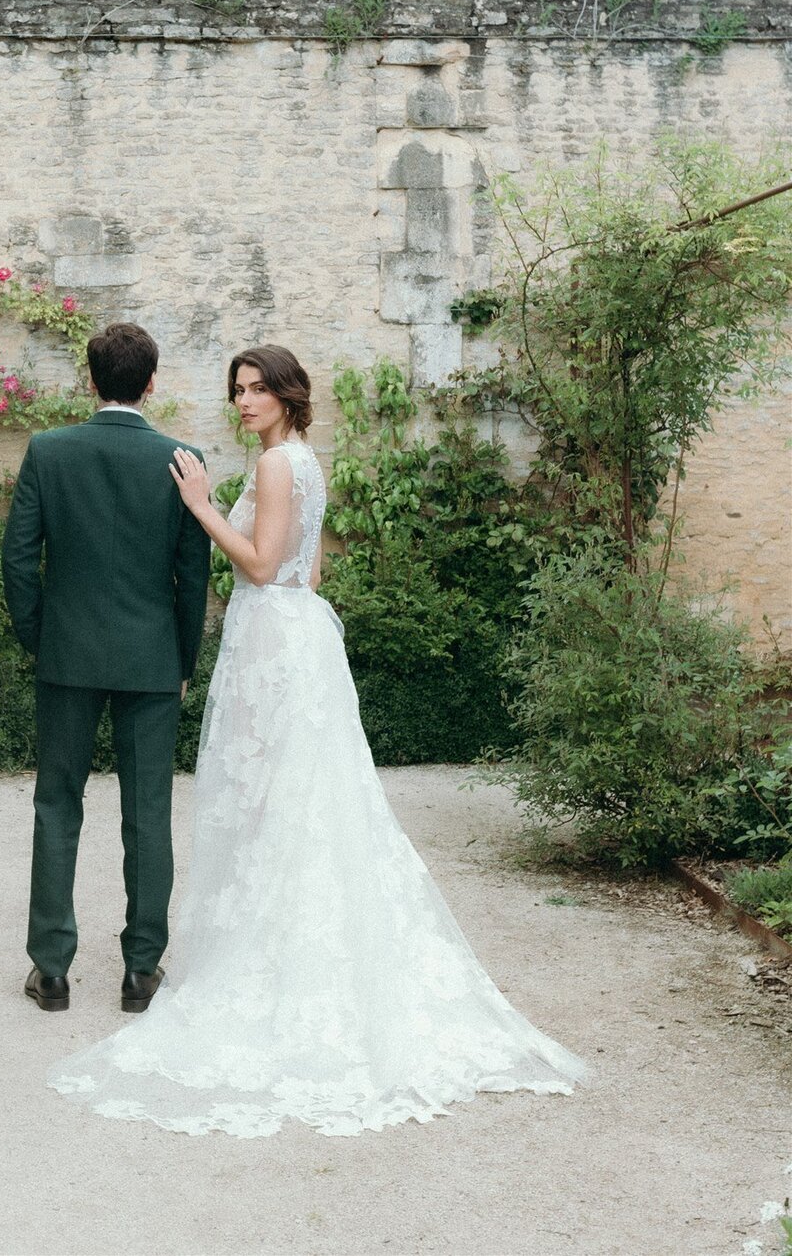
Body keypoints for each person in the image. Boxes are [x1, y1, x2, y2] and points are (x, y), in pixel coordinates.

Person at [46, 344, 588, 1137]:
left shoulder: (274, 467)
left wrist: (200, 507)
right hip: (296, 639)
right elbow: (308, 572)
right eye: (238, 388)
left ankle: (280, 966)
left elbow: (264, 567)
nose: (244, 400)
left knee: (274, 802)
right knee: (297, 803)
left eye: (257, 388)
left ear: (287, 392)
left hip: (274, 638)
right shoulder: (302, 459)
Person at [1, 321, 212, 1015]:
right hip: (152, 659)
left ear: (91, 381)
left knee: (57, 803)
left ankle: (51, 969)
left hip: (68, 654)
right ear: (151, 381)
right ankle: (141, 971)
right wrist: (184, 658)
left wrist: (41, 639)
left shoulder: (49, 451)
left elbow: (17, 559)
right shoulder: (182, 459)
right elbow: (192, 571)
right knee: (148, 812)